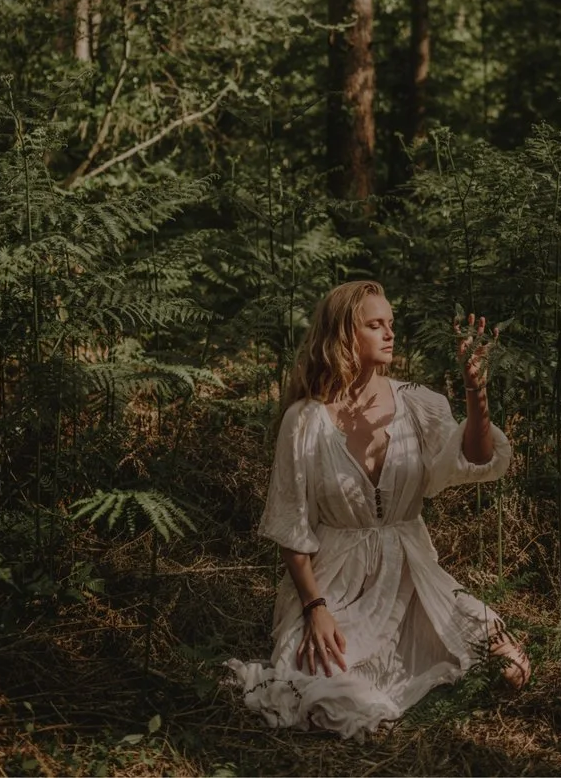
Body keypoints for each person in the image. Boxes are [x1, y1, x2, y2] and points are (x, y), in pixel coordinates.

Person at [223, 280, 532, 739]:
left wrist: (476, 390)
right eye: (375, 324)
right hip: (334, 581)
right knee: (321, 691)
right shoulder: (305, 421)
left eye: (390, 323)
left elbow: (477, 458)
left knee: (510, 663)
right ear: (344, 335)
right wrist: (316, 608)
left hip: (411, 570)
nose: (390, 333)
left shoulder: (417, 404)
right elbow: (292, 528)